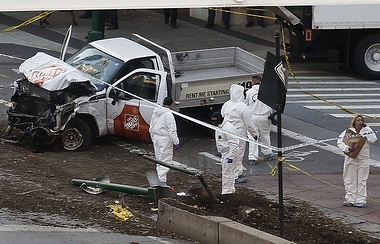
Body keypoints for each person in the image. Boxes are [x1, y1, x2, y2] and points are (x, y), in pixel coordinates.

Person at [221, 84, 258, 184]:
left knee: (230, 153)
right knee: (238, 155)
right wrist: (254, 134)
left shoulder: (227, 104)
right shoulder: (243, 107)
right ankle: (236, 175)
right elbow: (249, 123)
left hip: (226, 132)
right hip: (239, 134)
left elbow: (222, 115)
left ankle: (237, 172)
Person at [337, 115, 377, 208]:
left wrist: (367, 127)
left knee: (362, 179)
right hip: (351, 158)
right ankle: (350, 198)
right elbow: (340, 141)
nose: (360, 121)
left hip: (363, 158)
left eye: (361, 120)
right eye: (358, 120)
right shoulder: (349, 131)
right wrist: (347, 148)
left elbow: (373, 139)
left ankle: (361, 199)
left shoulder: (366, 131)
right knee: (350, 178)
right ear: (354, 121)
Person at [149, 97, 180, 185]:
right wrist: (176, 142)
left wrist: (152, 137)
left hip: (156, 137)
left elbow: (151, 126)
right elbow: (172, 130)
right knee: (165, 160)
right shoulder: (168, 114)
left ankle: (160, 178)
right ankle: (162, 181)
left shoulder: (156, 112)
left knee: (158, 159)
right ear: (171, 104)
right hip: (165, 139)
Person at [245, 76, 275, 165]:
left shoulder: (249, 92)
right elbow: (272, 104)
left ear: (253, 82)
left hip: (252, 116)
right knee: (265, 135)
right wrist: (272, 114)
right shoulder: (268, 91)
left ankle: (252, 157)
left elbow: (246, 105)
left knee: (252, 137)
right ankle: (267, 153)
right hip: (264, 117)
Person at [211, 112, 239, 194]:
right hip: (225, 153)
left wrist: (231, 156)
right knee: (228, 172)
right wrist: (220, 151)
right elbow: (220, 140)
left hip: (230, 153)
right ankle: (230, 190)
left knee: (227, 173)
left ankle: (227, 192)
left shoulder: (228, 128)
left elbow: (234, 144)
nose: (213, 123)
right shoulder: (219, 126)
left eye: (215, 121)